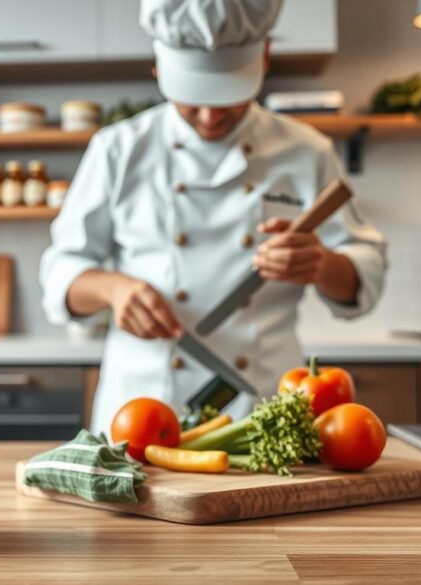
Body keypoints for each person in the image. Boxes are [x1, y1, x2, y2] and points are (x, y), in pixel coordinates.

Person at [40, 0, 387, 433]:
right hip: (142, 412)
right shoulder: (118, 149)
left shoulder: (307, 151)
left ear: (264, 57)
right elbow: (60, 273)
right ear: (159, 66)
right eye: (193, 96)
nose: (210, 115)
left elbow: (366, 276)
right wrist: (114, 289)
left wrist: (321, 263)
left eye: (228, 94)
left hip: (262, 412)